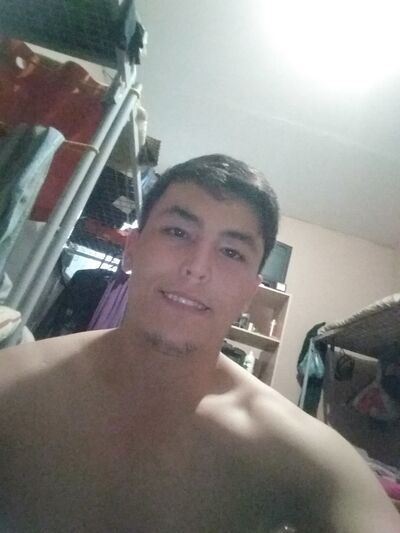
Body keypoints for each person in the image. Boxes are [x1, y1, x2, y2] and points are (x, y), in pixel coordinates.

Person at [0, 154, 399, 533]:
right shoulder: (13, 385)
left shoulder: (299, 454)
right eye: (178, 232)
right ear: (131, 250)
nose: (197, 267)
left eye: (231, 252)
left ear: (249, 292)